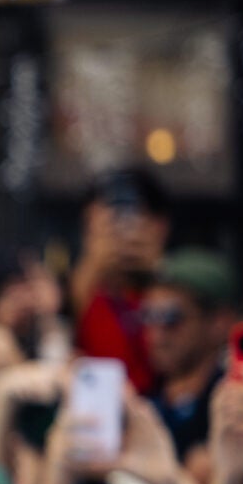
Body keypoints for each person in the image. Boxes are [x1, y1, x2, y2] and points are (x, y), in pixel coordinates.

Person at [70, 167, 172, 394]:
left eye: (130, 221)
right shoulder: (82, 292)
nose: (121, 236)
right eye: (104, 227)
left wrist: (158, 269)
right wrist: (94, 265)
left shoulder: (168, 288)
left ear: (159, 226)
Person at [137, 250, 236, 463]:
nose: (156, 334)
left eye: (171, 318)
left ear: (219, 323)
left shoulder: (237, 407)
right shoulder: (143, 408)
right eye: (148, 315)